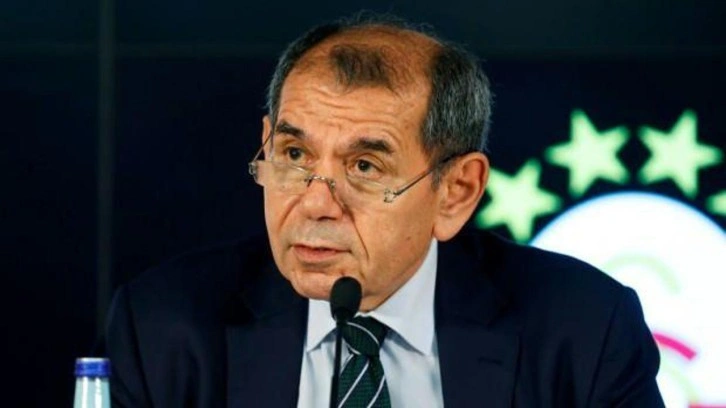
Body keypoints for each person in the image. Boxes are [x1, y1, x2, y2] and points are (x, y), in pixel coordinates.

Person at [105, 13, 664, 408]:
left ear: (457, 192)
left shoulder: (583, 333)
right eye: (294, 155)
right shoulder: (163, 331)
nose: (316, 203)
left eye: (365, 167)